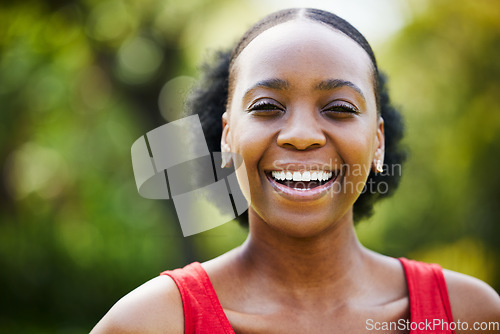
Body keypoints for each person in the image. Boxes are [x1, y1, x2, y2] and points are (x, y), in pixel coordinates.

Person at [91, 8, 500, 333]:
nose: (301, 135)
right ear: (226, 139)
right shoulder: (149, 324)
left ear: (378, 143)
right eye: (267, 107)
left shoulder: (471, 315)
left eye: (339, 108)